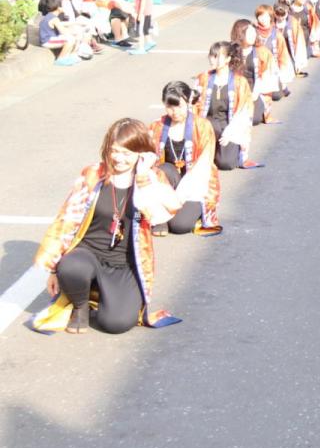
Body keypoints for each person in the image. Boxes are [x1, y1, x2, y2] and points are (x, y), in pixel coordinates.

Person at [32, 118, 182, 334]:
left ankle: (99, 298)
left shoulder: (152, 177)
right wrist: (54, 269)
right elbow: (66, 219)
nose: (119, 159)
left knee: (117, 323)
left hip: (125, 263)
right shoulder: (94, 174)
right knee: (72, 267)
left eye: (127, 153)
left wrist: (142, 177)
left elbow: (164, 213)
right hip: (88, 253)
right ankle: (80, 306)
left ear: (142, 153)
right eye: (115, 151)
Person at [148, 81, 222, 235]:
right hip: (168, 183)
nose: (174, 112)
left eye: (179, 106)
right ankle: (161, 217)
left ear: (188, 102)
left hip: (195, 184)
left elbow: (204, 166)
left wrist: (181, 196)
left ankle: (184, 214)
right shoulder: (157, 127)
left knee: (179, 226)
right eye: (170, 107)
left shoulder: (202, 126)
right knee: (162, 169)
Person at [195, 41, 257, 171]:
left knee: (226, 163)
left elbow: (245, 111)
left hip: (230, 126)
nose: (213, 59)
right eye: (211, 56)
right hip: (208, 124)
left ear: (228, 59)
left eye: (217, 56)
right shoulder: (203, 78)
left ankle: (216, 152)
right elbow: (194, 105)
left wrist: (230, 132)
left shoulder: (239, 81)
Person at [38, 0, 85, 66]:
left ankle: (68, 57)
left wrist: (76, 24)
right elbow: (63, 31)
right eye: (62, 5)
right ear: (58, 8)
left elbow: (62, 24)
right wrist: (74, 34)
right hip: (47, 41)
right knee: (70, 39)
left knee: (72, 36)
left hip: (48, 40)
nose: (64, 7)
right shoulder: (54, 18)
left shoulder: (50, 16)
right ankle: (61, 59)